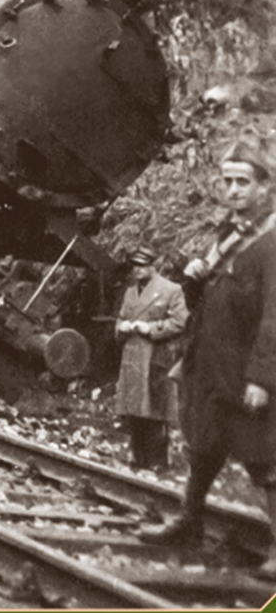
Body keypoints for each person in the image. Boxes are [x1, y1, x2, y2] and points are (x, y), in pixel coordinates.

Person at [140, 140, 276, 578]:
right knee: (203, 448)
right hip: (210, 364)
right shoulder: (227, 234)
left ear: (264, 188)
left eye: (243, 182)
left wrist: (262, 378)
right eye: (228, 181)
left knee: (265, 460)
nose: (233, 190)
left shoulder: (271, 241)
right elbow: (205, 303)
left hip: (246, 370)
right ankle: (189, 521)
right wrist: (194, 280)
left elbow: (274, 317)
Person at [114, 245, 188, 471]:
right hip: (133, 356)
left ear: (152, 266)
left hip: (156, 356)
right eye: (134, 266)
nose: (137, 270)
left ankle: (157, 460)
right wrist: (122, 327)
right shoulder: (130, 291)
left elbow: (181, 322)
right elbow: (120, 319)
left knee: (156, 411)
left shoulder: (170, 290)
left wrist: (151, 328)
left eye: (142, 266)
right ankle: (137, 457)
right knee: (134, 410)